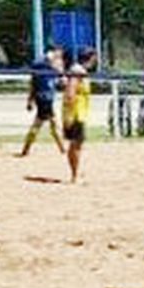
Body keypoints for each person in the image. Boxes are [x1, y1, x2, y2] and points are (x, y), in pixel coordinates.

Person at [18, 45, 65, 157]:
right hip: (45, 97)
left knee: (50, 125)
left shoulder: (40, 64)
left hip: (44, 97)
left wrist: (30, 100)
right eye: (59, 53)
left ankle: (26, 149)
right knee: (44, 125)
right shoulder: (47, 64)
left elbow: (34, 84)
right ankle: (62, 150)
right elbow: (60, 79)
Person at [62, 47, 96, 184]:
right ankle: (74, 176)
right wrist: (70, 115)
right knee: (76, 144)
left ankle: (75, 174)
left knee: (75, 144)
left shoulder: (79, 71)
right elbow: (70, 92)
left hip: (78, 112)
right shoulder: (78, 72)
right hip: (76, 113)